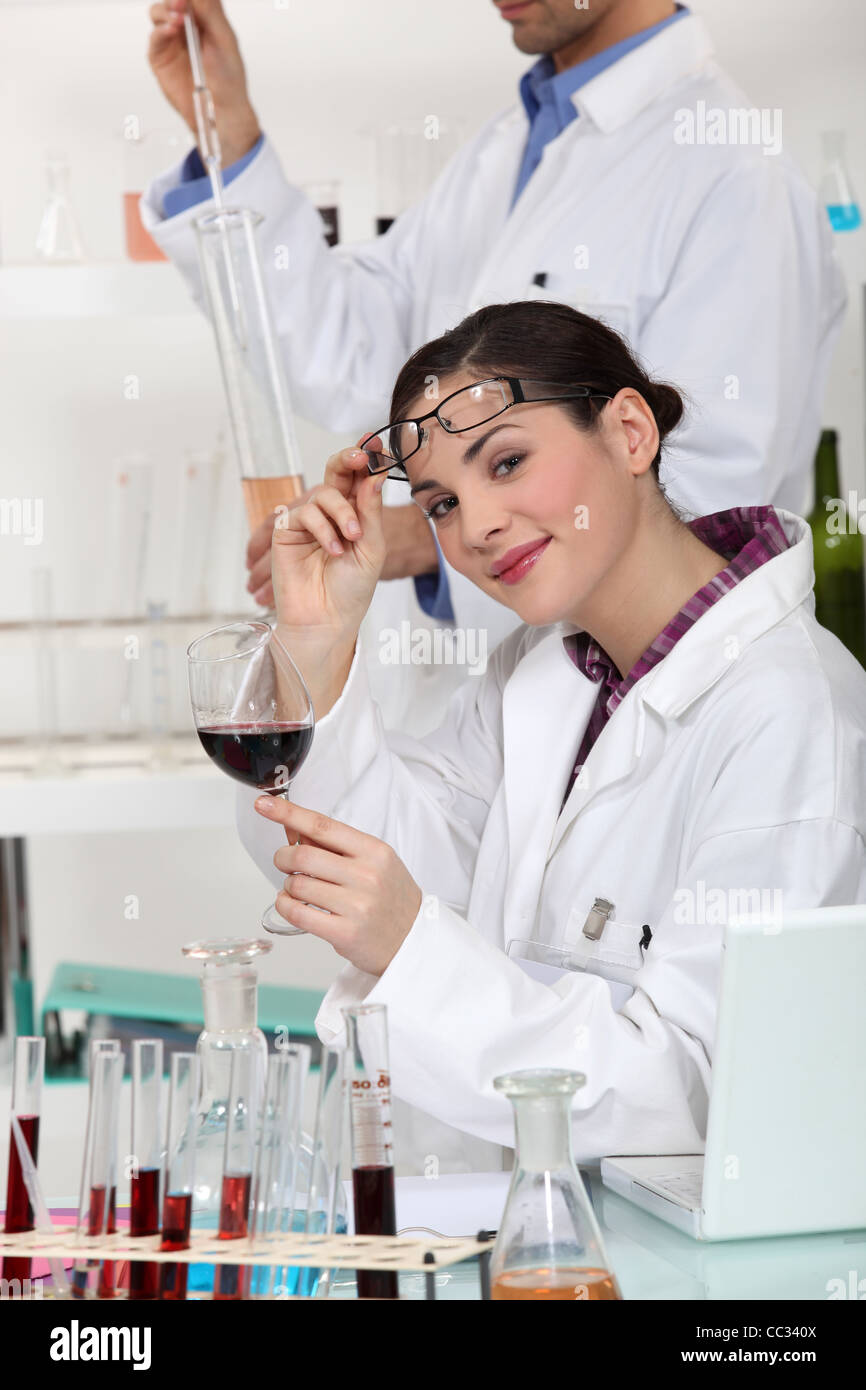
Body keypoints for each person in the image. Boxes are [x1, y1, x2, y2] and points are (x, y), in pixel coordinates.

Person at [237, 301, 866, 1169]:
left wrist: (411, 948)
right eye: (442, 503)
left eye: (508, 461)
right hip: (517, 1244)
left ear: (630, 431)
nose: (478, 526)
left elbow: (699, 1092)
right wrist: (316, 635)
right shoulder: (541, 672)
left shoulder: (791, 711)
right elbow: (349, 859)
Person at [144, 0, 845, 695]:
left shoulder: (737, 174)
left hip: (645, 710)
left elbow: (707, 496)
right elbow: (353, 349)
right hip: (479, 721)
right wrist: (229, 134)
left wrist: (433, 540)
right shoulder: (509, 147)